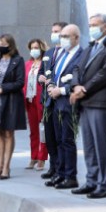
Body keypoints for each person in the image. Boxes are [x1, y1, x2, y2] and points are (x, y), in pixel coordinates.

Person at [69, 13, 106, 198]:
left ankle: (104, 184)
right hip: (85, 102)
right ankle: (91, 180)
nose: (92, 27)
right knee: (89, 145)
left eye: (95, 24)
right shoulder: (90, 46)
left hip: (100, 103)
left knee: (101, 145)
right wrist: (76, 86)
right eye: (90, 24)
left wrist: (84, 89)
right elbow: (77, 68)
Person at [46, 24, 84, 190]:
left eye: (66, 36)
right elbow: (56, 74)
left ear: (76, 37)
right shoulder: (62, 54)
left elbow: (80, 79)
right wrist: (51, 86)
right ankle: (60, 174)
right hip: (56, 102)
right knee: (59, 140)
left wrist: (61, 90)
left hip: (69, 102)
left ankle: (70, 176)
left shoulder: (81, 55)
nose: (63, 39)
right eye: (62, 36)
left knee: (67, 140)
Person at [0, 34, 26, 179]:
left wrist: (2, 89)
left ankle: (6, 167)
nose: (0, 46)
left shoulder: (18, 60)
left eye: (3, 44)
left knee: (8, 133)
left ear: (10, 45)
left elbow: (20, 82)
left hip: (10, 101)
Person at [38, 22, 67, 181]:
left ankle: (61, 169)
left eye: (57, 31)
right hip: (47, 100)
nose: (54, 34)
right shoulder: (49, 52)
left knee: (59, 137)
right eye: (52, 31)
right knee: (49, 136)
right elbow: (41, 72)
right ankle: (53, 167)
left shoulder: (67, 52)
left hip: (60, 99)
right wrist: (41, 78)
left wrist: (53, 83)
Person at [24, 38, 48, 171]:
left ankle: (42, 158)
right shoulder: (28, 64)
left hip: (41, 100)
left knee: (43, 129)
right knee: (33, 131)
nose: (34, 50)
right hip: (30, 100)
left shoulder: (45, 63)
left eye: (36, 48)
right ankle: (33, 156)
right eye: (32, 48)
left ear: (41, 49)